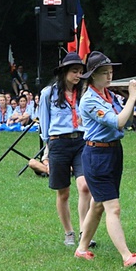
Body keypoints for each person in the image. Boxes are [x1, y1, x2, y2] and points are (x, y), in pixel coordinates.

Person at [72, 51, 136, 266]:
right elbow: (118, 122)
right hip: (97, 155)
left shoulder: (109, 95)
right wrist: (132, 96)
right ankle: (126, 256)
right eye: (104, 73)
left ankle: (82, 248)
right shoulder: (90, 100)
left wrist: (128, 102)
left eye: (111, 72)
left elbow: (127, 118)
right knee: (112, 207)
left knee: (97, 204)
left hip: (113, 151)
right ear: (92, 76)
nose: (109, 76)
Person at [38, 52, 93, 248]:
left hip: (80, 141)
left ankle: (84, 231)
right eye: (74, 71)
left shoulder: (85, 94)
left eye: (80, 72)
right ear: (64, 72)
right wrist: (47, 152)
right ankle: (68, 231)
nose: (78, 75)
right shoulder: (48, 93)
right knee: (63, 192)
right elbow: (43, 124)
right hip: (58, 144)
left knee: (85, 186)